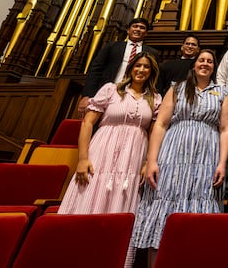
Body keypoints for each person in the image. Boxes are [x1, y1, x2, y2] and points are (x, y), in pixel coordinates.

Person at [130, 50, 228, 268]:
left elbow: (225, 129)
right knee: (164, 206)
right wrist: (152, 160)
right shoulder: (177, 88)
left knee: (202, 202)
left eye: (209, 61)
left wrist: (222, 163)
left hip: (207, 156)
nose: (205, 64)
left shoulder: (222, 92)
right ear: (194, 65)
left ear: (214, 67)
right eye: (201, 60)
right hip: (173, 153)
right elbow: (161, 124)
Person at [59, 51, 161, 216]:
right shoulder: (111, 89)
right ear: (130, 68)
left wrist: (148, 161)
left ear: (152, 72)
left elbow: (154, 132)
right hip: (103, 149)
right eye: (138, 65)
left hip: (134, 155)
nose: (141, 70)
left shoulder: (155, 98)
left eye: (146, 67)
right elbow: (87, 123)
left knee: (124, 192)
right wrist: (83, 159)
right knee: (92, 189)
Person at [79, 17, 158, 115]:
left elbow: (154, 76)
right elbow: (96, 70)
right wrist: (87, 95)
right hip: (107, 93)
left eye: (142, 28)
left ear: (146, 33)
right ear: (128, 30)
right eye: (135, 26)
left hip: (137, 96)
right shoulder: (112, 46)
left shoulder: (152, 53)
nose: (138, 29)